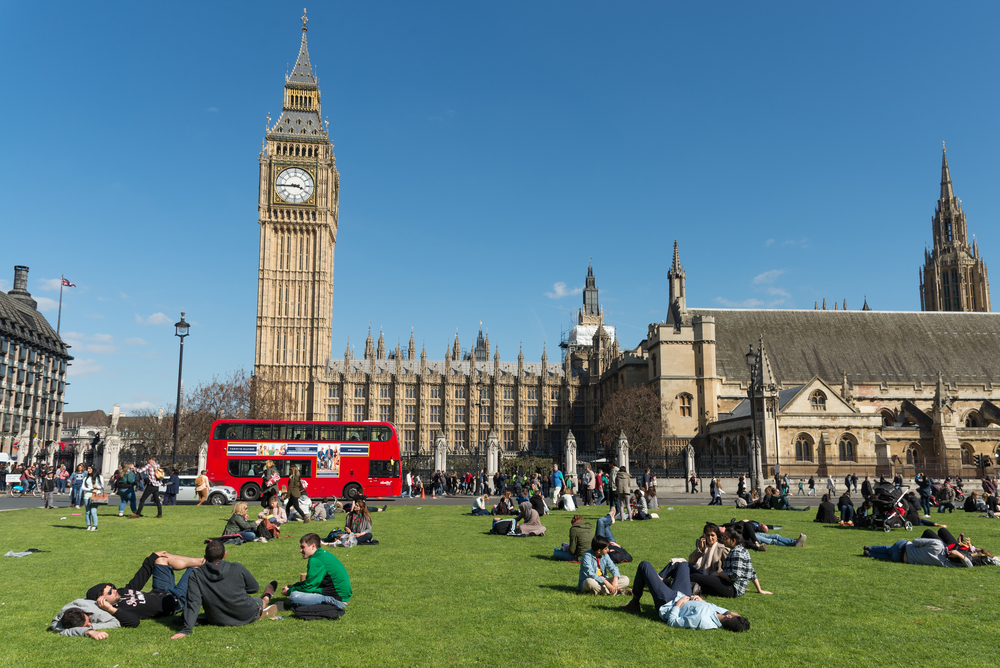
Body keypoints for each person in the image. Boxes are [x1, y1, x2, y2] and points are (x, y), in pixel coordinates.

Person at [171, 540, 278, 638]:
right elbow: (254, 588)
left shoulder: (196, 574)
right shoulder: (237, 567)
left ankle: (264, 600)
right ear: (225, 554)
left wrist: (186, 629)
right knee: (257, 600)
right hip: (246, 614)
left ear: (205, 557)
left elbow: (193, 602)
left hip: (217, 619)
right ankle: (266, 597)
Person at [78, 550, 205, 632]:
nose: (115, 590)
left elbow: (138, 580)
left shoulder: (120, 593)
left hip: (161, 590)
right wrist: (110, 609)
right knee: (195, 570)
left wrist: (151, 558)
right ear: (102, 601)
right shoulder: (119, 612)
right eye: (110, 592)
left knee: (160, 559)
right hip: (176, 600)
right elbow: (134, 622)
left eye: (112, 587)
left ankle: (204, 560)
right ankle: (208, 561)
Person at [619, 560, 750, 632]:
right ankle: (659, 580)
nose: (734, 611)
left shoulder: (702, 621)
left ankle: (634, 603)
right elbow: (710, 606)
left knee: (644, 565)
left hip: (669, 602)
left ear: (729, 617)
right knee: (682, 565)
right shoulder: (722, 614)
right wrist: (701, 600)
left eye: (736, 613)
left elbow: (672, 622)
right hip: (684, 595)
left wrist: (679, 603)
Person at [689, 530, 772, 597]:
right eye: (723, 537)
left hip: (731, 588)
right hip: (727, 584)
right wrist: (759, 590)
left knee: (694, 576)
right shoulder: (740, 550)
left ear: (733, 540)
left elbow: (735, 575)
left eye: (725, 538)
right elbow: (751, 572)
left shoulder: (737, 552)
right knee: (689, 568)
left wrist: (719, 574)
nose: (722, 540)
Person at [283, 533, 352, 610]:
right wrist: (294, 586)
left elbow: (308, 587)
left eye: (303, 547)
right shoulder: (322, 554)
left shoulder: (315, 560)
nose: (300, 550)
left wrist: (289, 591)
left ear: (313, 546)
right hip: (342, 598)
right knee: (297, 592)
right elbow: (311, 583)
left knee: (294, 596)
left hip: (336, 601)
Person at [863, 528, 973, 567]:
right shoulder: (945, 563)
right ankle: (870, 554)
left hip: (903, 547)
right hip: (902, 559)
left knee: (887, 549)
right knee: (888, 556)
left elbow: (915, 541)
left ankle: (870, 548)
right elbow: (969, 566)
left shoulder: (938, 544)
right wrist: (960, 556)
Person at [82, 464, 104, 531]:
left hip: (95, 496)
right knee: (87, 512)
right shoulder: (86, 478)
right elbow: (83, 487)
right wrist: (91, 489)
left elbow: (102, 486)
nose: (88, 470)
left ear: (93, 469)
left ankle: (95, 526)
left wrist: (97, 487)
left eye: (90, 468)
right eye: (88, 469)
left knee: (93, 511)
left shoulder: (99, 477)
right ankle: (88, 525)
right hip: (87, 496)